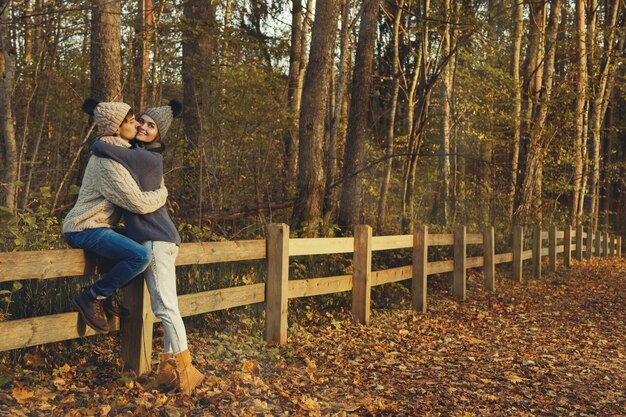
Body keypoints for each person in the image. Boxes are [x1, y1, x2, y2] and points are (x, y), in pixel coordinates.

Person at [91, 100, 205, 395]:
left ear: (159, 135)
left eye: (150, 126)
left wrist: (103, 134)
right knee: (169, 307)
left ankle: (185, 372)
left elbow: (102, 148)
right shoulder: (141, 156)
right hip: (161, 239)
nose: (142, 126)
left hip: (157, 240)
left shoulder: (147, 159)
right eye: (140, 121)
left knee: (165, 307)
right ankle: (169, 374)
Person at [63, 99, 169, 334]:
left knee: (144, 243)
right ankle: (92, 296)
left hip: (99, 227)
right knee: (141, 256)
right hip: (83, 228)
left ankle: (108, 292)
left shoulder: (117, 152)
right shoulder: (107, 162)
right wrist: (163, 193)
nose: (137, 125)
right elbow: (137, 202)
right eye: (131, 122)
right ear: (116, 128)